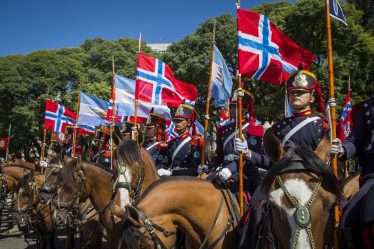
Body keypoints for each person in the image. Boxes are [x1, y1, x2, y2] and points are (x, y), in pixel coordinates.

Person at [238, 69, 328, 248]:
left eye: (301, 92)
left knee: (342, 208)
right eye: (292, 93)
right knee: (253, 209)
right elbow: (269, 162)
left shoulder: (322, 124)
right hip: (282, 179)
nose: (295, 96)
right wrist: (249, 153)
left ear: (311, 97)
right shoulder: (278, 127)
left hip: (314, 179)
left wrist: (335, 149)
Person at [331, 96, 374, 248]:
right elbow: (356, 141)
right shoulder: (367, 107)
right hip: (372, 175)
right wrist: (342, 149)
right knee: (347, 222)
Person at [207, 89, 264, 199]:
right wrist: (208, 166)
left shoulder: (254, 128)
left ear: (246, 108)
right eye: (232, 106)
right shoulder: (223, 130)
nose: (234, 109)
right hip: (223, 168)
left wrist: (231, 168)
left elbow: (251, 158)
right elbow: (219, 155)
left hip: (245, 170)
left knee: (252, 202)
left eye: (238, 106)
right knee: (204, 184)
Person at [158, 103, 202, 176]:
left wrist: (172, 173)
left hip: (186, 182)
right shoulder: (172, 143)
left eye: (180, 121)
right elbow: (165, 163)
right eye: (176, 121)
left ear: (189, 123)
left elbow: (194, 170)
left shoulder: (194, 142)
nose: (177, 123)